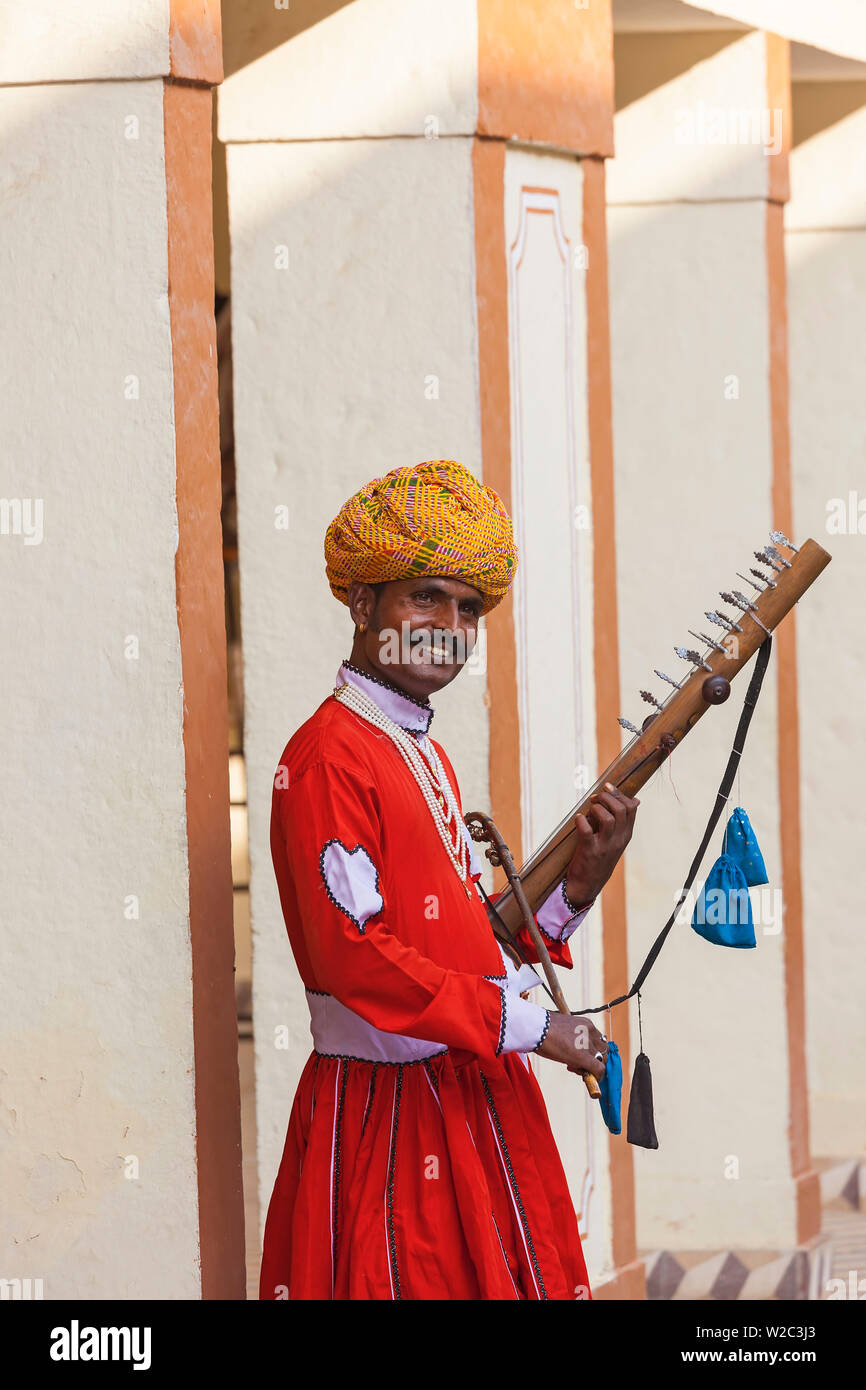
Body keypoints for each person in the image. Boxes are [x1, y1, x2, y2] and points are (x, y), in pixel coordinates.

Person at [258, 459, 638, 1301]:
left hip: (468, 1098)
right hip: (387, 1117)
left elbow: (464, 937)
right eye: (425, 597)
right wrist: (537, 1029)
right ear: (363, 605)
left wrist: (578, 885)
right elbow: (356, 958)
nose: (450, 628)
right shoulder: (327, 756)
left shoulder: (420, 748)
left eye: (470, 609)